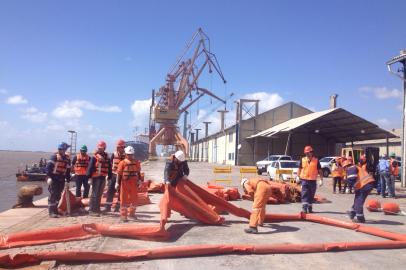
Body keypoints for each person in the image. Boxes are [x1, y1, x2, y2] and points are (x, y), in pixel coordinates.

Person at [115, 146, 141, 222]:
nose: (130, 156)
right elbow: (119, 174)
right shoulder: (122, 163)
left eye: (131, 154)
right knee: (123, 199)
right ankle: (123, 216)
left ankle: (132, 214)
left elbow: (138, 172)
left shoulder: (136, 162)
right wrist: (117, 183)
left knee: (134, 199)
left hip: (134, 183)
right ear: (126, 154)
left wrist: (140, 180)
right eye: (129, 154)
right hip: (124, 183)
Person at [86, 140, 112, 216]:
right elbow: (90, 167)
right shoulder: (94, 157)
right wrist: (89, 177)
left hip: (103, 177)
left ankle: (97, 209)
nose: (100, 149)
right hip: (96, 178)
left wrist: (109, 176)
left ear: (104, 148)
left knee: (99, 194)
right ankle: (92, 210)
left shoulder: (107, 157)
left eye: (102, 148)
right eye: (99, 148)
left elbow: (109, 167)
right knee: (94, 194)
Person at [46, 142, 71, 218]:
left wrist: (68, 179)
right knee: (52, 195)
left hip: (61, 179)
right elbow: (48, 168)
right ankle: (51, 212)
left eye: (63, 149)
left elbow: (68, 170)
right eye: (61, 149)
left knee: (58, 196)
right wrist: (49, 177)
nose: (62, 150)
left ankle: (55, 210)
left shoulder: (67, 159)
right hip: (54, 179)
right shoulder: (54, 157)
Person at [348, 157, 375, 223]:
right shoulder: (355, 167)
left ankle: (360, 218)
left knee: (358, 201)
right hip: (365, 184)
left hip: (364, 185)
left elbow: (352, 179)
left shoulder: (351, 168)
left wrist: (349, 186)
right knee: (357, 199)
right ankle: (352, 213)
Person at [297, 146, 323, 213]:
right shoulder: (302, 160)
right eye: (306, 153)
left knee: (311, 194)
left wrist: (321, 179)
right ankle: (304, 208)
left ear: (312, 153)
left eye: (308, 153)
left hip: (313, 180)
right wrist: (297, 177)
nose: (307, 154)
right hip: (304, 180)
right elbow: (299, 169)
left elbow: (320, 171)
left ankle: (310, 207)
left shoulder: (316, 160)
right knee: (304, 193)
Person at [104, 139, 126, 212]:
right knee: (110, 191)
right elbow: (110, 165)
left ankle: (117, 207)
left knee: (121, 192)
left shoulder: (126, 155)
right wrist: (108, 175)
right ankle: (108, 207)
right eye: (119, 147)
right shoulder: (114, 154)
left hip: (122, 176)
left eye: (121, 147)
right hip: (113, 175)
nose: (120, 148)